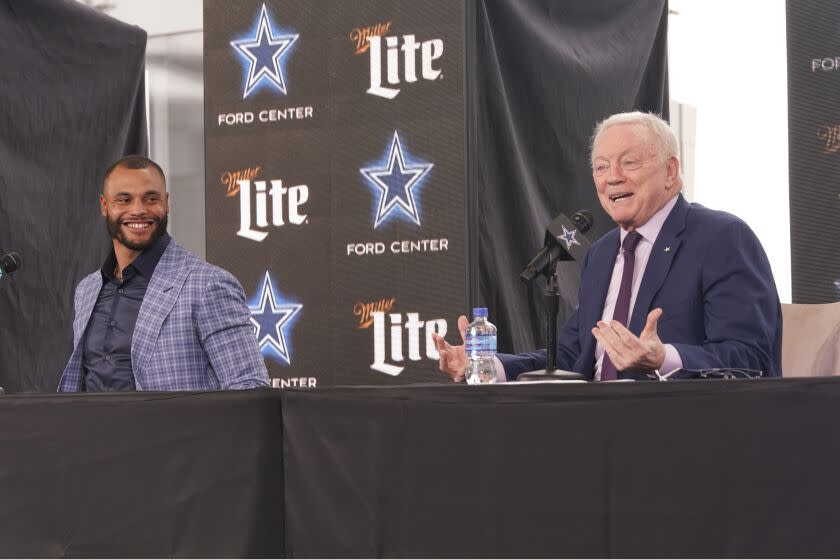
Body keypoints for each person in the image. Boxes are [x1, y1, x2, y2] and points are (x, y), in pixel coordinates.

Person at [434, 111, 782, 381]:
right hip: (598, 424)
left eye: (629, 162)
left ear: (671, 171)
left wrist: (664, 358)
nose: (612, 176)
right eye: (601, 167)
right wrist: (488, 365)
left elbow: (749, 358)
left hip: (683, 428)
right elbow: (574, 356)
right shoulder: (600, 254)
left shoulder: (721, 238)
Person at [58, 155, 270, 391]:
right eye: (124, 199)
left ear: (166, 203)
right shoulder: (87, 289)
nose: (138, 210)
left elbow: (251, 388)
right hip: (90, 428)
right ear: (104, 206)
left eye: (150, 198)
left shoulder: (207, 285)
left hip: (178, 429)